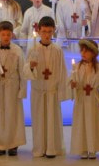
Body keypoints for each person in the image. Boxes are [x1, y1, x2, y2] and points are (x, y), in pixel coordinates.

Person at [25, 16, 69, 158]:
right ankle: (39, 148)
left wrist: (62, 92)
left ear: (54, 31)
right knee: (39, 121)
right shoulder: (33, 50)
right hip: (38, 92)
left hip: (52, 92)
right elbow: (26, 71)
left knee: (52, 121)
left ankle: (52, 148)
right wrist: (31, 67)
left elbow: (62, 72)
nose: (47, 35)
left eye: (50, 32)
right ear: (38, 31)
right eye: (44, 31)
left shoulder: (57, 50)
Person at [0, 21, 26, 156]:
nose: (6, 37)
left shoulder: (17, 50)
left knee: (12, 115)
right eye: (3, 34)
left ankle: (13, 144)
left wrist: (22, 89)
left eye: (8, 34)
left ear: (12, 35)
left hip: (12, 87)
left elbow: (22, 71)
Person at [69, 39, 99, 159]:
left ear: (94, 53)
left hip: (93, 100)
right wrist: (73, 85)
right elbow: (73, 81)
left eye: (86, 51)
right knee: (81, 123)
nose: (83, 53)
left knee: (93, 123)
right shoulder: (77, 67)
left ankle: (92, 148)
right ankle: (83, 148)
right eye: (82, 51)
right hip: (81, 99)